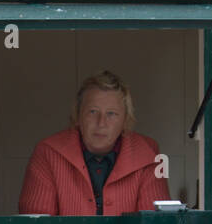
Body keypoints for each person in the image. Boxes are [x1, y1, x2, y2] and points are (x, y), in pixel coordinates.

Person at [17, 71, 170, 216]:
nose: (101, 123)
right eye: (93, 112)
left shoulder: (148, 154)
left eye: (111, 113)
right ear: (77, 116)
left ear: (125, 120)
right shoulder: (48, 152)